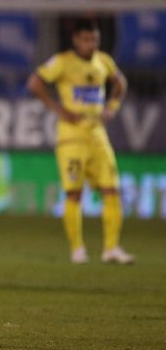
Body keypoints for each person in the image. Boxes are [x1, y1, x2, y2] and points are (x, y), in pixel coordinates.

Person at [27, 19, 133, 265]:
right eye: (86, 40)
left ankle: (111, 249)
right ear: (76, 40)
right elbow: (35, 82)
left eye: (94, 39)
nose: (91, 45)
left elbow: (120, 83)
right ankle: (77, 250)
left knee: (112, 190)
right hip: (71, 138)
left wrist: (112, 107)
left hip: (97, 136)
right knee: (74, 193)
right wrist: (57, 108)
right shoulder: (62, 62)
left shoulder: (104, 61)